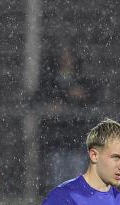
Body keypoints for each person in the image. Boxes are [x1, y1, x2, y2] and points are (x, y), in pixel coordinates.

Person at [37, 44, 99, 186]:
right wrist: (52, 104)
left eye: (68, 58)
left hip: (76, 137)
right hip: (55, 138)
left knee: (75, 177)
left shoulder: (82, 80)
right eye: (63, 58)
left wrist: (81, 97)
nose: (66, 61)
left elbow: (92, 99)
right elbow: (41, 99)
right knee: (57, 178)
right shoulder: (50, 80)